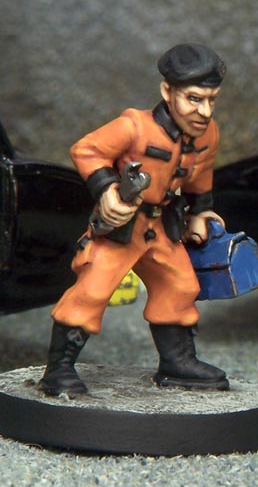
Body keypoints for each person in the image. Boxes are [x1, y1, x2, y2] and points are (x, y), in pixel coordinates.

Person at [39, 43, 230, 397]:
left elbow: (200, 175)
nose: (204, 111)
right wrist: (106, 190)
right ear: (168, 92)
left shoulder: (208, 133)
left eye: (211, 100)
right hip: (123, 227)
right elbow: (86, 149)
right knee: (92, 290)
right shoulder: (134, 127)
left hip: (164, 227)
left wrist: (201, 211)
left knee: (180, 286)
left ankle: (177, 363)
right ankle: (58, 370)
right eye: (193, 99)